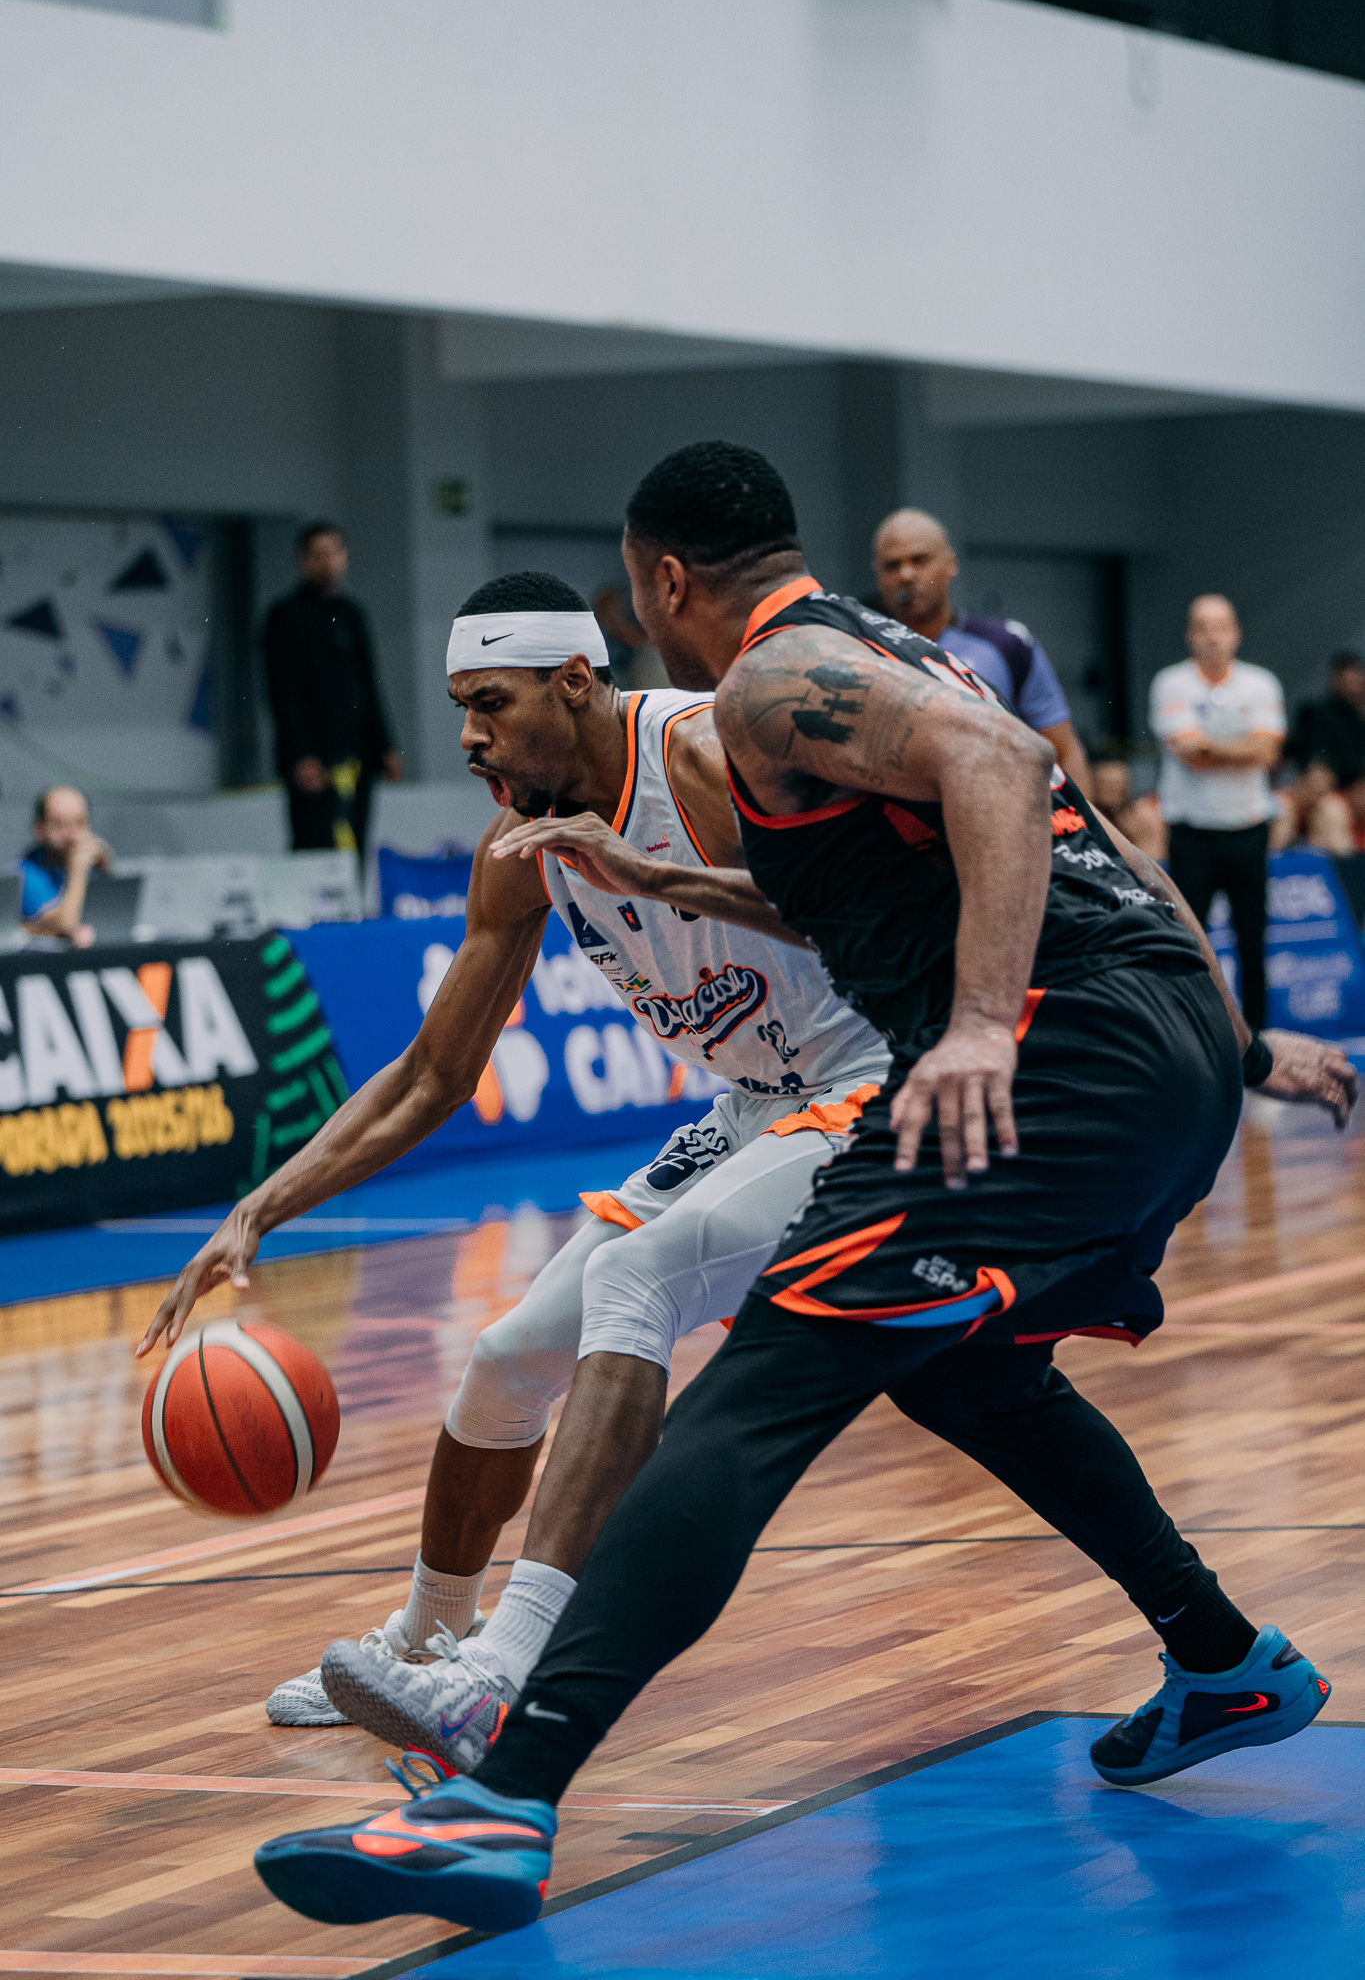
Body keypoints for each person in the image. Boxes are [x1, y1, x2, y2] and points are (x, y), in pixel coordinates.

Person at [254, 446, 1353, 1936]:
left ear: (661, 582)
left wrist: (982, 1022)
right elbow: (1105, 849)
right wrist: (1237, 1044)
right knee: (969, 1374)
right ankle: (1222, 1659)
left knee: (753, 1389)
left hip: (1049, 1051)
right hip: (1151, 1052)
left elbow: (1008, 769)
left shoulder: (771, 681)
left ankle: (501, 1789)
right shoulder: (873, 660)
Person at [140, 569, 888, 1736]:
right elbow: (431, 1075)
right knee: (504, 1356)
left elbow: (861, 903)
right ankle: (428, 1637)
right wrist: (259, 1207)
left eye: (490, 701)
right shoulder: (518, 850)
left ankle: (506, 1669)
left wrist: (649, 871)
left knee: (635, 1281)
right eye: (460, 706)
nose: (467, 735)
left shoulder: (701, 756)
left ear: (576, 681)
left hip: (876, 1081)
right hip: (757, 1101)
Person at [871, 508, 1092, 796]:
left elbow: (1064, 751)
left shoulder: (1007, 644)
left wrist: (1085, 823)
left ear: (950, 563)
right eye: (892, 565)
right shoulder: (859, 649)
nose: (906, 574)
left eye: (920, 560)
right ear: (878, 575)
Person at [1150, 596, 1285, 1032]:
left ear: (1236, 633)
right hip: (1192, 833)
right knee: (1190, 940)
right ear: (1190, 635)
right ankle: (1195, 1034)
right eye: (1203, 627)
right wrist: (1243, 747)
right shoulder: (1171, 683)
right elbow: (1190, 754)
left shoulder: (1260, 683)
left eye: (1221, 626)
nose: (1212, 636)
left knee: (1253, 940)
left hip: (1248, 829)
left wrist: (1211, 744)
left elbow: (1268, 751)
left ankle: (1258, 1035)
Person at [263, 521, 404, 859]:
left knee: (355, 843)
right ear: (303, 560)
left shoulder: (351, 614)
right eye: (318, 554)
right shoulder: (285, 616)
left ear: (344, 557)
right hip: (315, 757)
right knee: (315, 846)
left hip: (358, 752)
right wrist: (300, 754)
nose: (327, 561)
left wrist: (385, 745)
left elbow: (369, 683)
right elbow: (283, 692)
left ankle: (353, 897)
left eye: (334, 552)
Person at [18, 786, 112, 944]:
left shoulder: (95, 867)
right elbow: (66, 926)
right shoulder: (24, 874)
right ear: (39, 829)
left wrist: (107, 871)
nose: (72, 835)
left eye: (80, 823)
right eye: (59, 825)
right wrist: (78, 870)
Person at [1286, 651, 1365, 785]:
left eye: (1356, 680)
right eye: (1346, 680)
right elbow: (1315, 759)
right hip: (1326, 782)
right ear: (1335, 680)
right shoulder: (1317, 713)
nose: (1352, 686)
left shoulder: (1359, 718)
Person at [1088, 758, 1167, 860]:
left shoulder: (1138, 815)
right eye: (1105, 784)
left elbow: (1153, 856)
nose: (1112, 789)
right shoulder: (1085, 815)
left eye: (1117, 785)